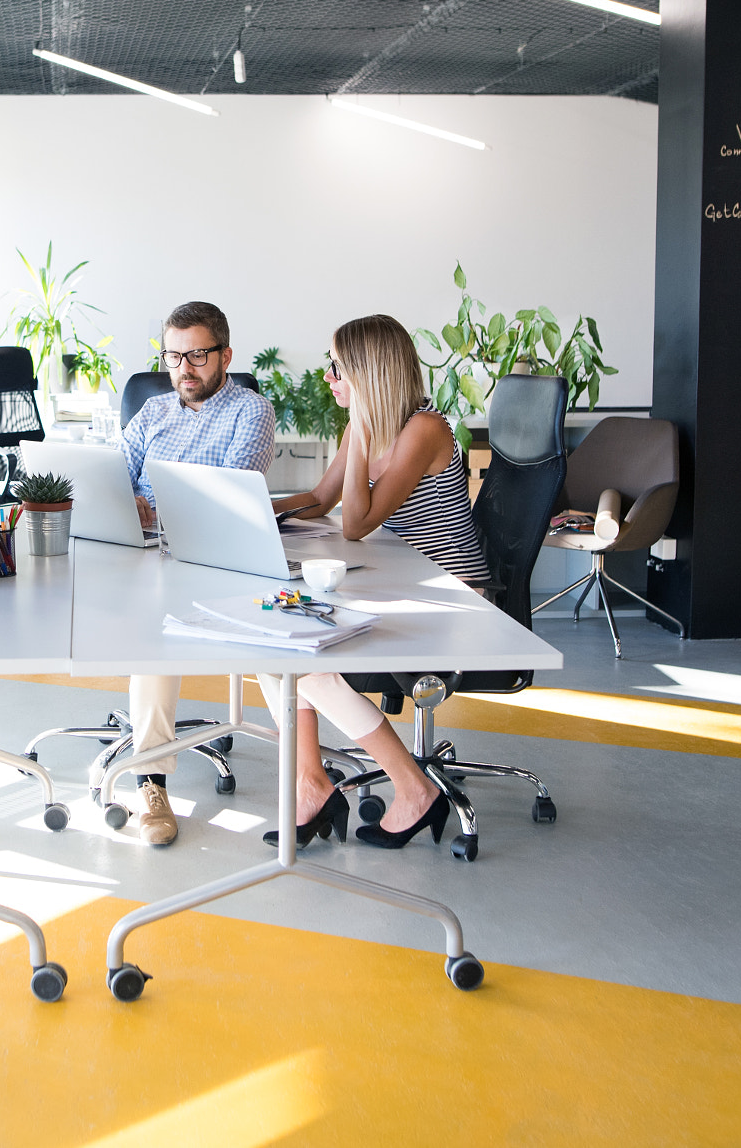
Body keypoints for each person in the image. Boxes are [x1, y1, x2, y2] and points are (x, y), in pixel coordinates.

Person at [260, 313, 490, 850]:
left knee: (307, 668)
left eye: (337, 368)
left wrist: (361, 427)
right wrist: (251, 508)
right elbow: (321, 498)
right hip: (406, 588)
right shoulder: (370, 428)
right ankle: (311, 783)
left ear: (368, 373)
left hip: (455, 603)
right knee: (271, 646)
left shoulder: (423, 430)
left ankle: (414, 788)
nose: (328, 379)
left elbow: (356, 523)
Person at [119, 300, 276, 845]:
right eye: (173, 356)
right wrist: (122, 502)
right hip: (133, 550)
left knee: (155, 634)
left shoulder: (250, 411)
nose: (184, 368)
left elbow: (228, 495)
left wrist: (149, 504)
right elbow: (116, 472)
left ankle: (151, 782)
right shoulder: (153, 411)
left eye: (197, 355)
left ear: (225, 356)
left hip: (209, 561)